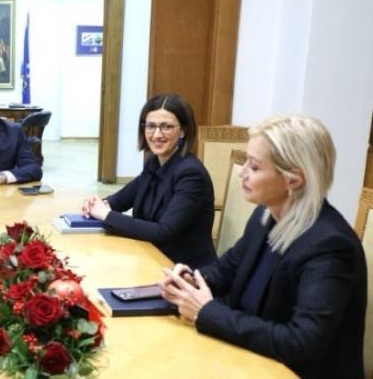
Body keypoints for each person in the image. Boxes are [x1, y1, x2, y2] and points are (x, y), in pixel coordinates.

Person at [159, 115, 366, 379]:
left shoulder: (330, 247)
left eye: (254, 167)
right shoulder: (266, 214)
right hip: (248, 360)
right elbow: (227, 269)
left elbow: (300, 344)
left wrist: (207, 312)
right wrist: (191, 281)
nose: (242, 172)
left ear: (294, 180)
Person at [81, 94, 216, 268]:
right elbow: (119, 201)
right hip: (151, 258)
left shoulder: (191, 174)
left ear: (183, 131)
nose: (157, 135)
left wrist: (105, 214)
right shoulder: (154, 163)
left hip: (185, 272)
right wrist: (96, 204)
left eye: (166, 127)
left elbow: (164, 232)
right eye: (151, 126)